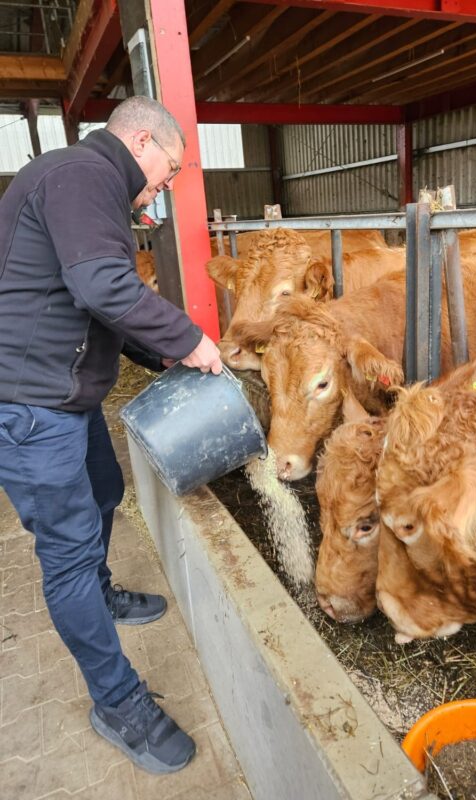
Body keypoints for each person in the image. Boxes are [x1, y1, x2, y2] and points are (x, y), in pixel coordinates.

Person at [0, 96, 222, 774]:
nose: (166, 184)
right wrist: (191, 343)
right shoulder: (82, 175)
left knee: (105, 488)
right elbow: (100, 286)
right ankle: (117, 701)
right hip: (30, 404)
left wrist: (158, 355)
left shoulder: (89, 186)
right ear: (143, 140)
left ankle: (100, 594)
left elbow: (90, 301)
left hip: (64, 393)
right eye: (171, 168)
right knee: (64, 553)